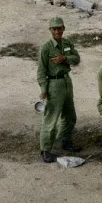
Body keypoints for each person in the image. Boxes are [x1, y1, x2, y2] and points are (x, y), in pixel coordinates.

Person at [36, 17, 81, 162]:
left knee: (70, 116)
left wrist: (65, 58)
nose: (57, 31)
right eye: (54, 29)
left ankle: (65, 140)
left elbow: (76, 59)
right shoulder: (46, 48)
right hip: (54, 84)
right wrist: (44, 89)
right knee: (51, 118)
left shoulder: (67, 43)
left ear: (64, 28)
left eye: (59, 28)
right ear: (50, 30)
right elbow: (41, 72)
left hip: (67, 81)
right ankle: (45, 150)